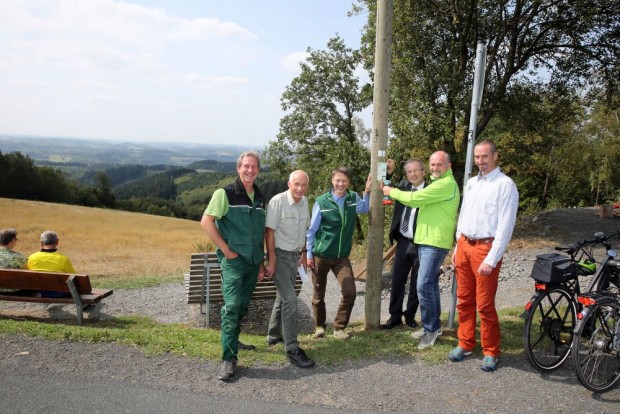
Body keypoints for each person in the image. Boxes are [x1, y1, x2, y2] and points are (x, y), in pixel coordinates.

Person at [448, 140, 519, 372]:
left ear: (495, 156)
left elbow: (505, 226)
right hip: (465, 245)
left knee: (485, 305)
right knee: (464, 300)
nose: (480, 161)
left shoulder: (505, 185)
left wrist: (492, 258)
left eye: (485, 156)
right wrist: (458, 245)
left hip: (485, 249)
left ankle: (490, 351)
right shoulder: (471, 183)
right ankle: (465, 343)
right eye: (477, 157)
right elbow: (464, 214)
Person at [382, 151, 459, 349]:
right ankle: (431, 327)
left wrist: (390, 192)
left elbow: (416, 199)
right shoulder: (438, 183)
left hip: (433, 242)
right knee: (429, 285)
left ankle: (431, 329)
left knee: (423, 285)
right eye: (432, 164)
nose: (435, 168)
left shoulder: (444, 185)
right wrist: (387, 177)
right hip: (422, 240)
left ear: (448, 166)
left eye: (438, 165)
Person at [200, 151, 266, 382]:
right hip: (234, 262)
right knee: (233, 305)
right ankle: (229, 359)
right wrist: (226, 250)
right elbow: (206, 222)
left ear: (258, 170)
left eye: (254, 166)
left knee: (243, 304)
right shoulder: (225, 193)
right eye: (246, 166)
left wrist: (260, 261)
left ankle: (233, 337)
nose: (250, 170)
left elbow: (259, 232)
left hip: (253, 262)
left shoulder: (259, 196)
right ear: (238, 169)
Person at [306, 166, 371, 340]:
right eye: (338, 180)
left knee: (350, 291)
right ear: (332, 181)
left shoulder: (352, 198)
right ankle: (319, 327)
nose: (341, 184)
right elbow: (312, 230)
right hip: (321, 255)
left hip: (341, 257)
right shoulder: (322, 201)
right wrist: (309, 255)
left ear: (348, 182)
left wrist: (366, 192)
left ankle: (339, 327)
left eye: (344, 180)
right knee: (318, 294)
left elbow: (364, 209)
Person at [264, 170, 314, 368]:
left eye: (303, 185)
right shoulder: (277, 201)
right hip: (280, 256)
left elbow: (304, 230)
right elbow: (269, 232)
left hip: (294, 257)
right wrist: (272, 259)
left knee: (283, 297)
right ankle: (292, 348)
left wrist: (303, 253)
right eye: (296, 184)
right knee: (291, 300)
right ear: (289, 184)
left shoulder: (305, 202)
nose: (300, 188)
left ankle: (273, 336)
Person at [380, 158, 426, 330]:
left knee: (417, 282)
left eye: (416, 170)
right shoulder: (403, 186)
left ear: (423, 171)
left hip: (422, 243)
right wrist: (388, 173)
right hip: (403, 242)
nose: (413, 174)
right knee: (397, 280)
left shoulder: (430, 191)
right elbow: (384, 189)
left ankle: (411, 316)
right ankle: (395, 317)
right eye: (409, 171)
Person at [27, 230, 76, 297]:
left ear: (41, 243)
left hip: (38, 291)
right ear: (57, 242)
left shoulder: (32, 257)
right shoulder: (63, 259)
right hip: (59, 293)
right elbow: (73, 277)